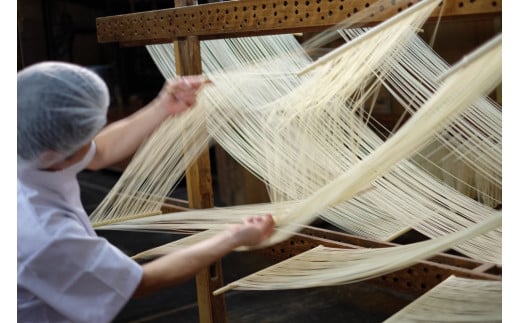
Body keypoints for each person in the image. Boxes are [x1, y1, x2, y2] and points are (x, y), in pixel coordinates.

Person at [17, 61, 275, 322]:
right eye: (88, 134)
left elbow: (100, 151)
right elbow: (141, 282)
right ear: (55, 155)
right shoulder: (44, 233)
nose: (94, 136)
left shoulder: (26, 148)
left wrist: (164, 105)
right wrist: (233, 237)